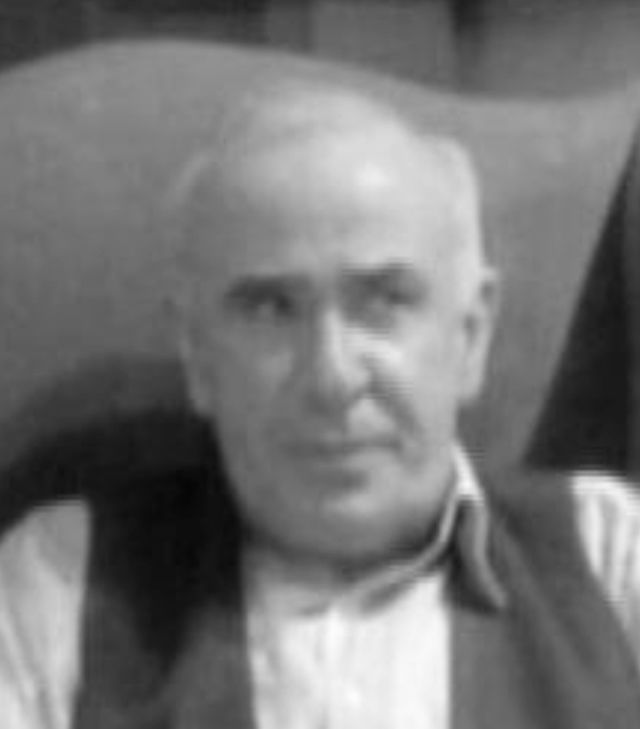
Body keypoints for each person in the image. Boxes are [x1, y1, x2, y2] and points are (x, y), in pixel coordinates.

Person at [0, 82, 639, 729]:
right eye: (271, 308)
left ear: (470, 337)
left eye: (385, 301)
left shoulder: (608, 560)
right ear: (197, 354)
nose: (332, 377)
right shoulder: (63, 585)